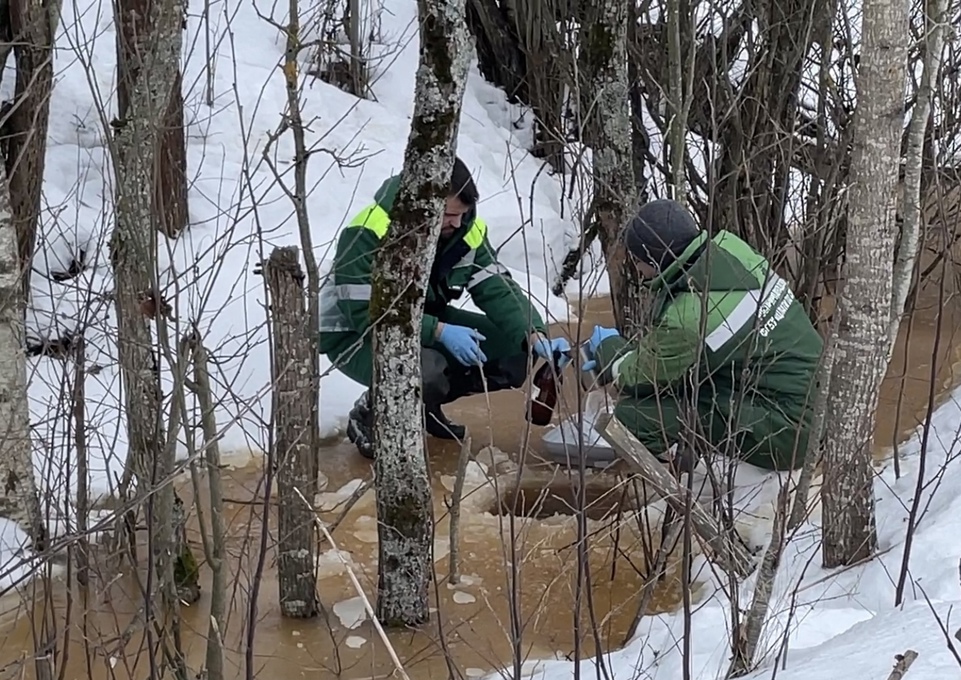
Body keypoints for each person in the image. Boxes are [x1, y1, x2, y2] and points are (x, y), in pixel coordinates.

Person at [318, 158, 572, 459]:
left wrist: (534, 334)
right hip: (354, 335)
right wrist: (438, 331)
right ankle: (373, 411)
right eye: (450, 214)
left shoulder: (463, 229)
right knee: (426, 369)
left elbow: (497, 289)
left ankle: (424, 406)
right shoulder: (370, 229)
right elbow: (364, 313)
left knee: (514, 352)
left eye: (461, 215)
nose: (456, 222)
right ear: (424, 204)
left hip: (422, 322)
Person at [580, 199, 823, 472]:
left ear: (651, 260)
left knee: (632, 418)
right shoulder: (731, 251)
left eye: (637, 261)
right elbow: (682, 353)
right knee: (691, 388)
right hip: (819, 404)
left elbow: (643, 378)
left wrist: (611, 355)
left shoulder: (690, 314)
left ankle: (697, 479)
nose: (637, 271)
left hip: (788, 434)